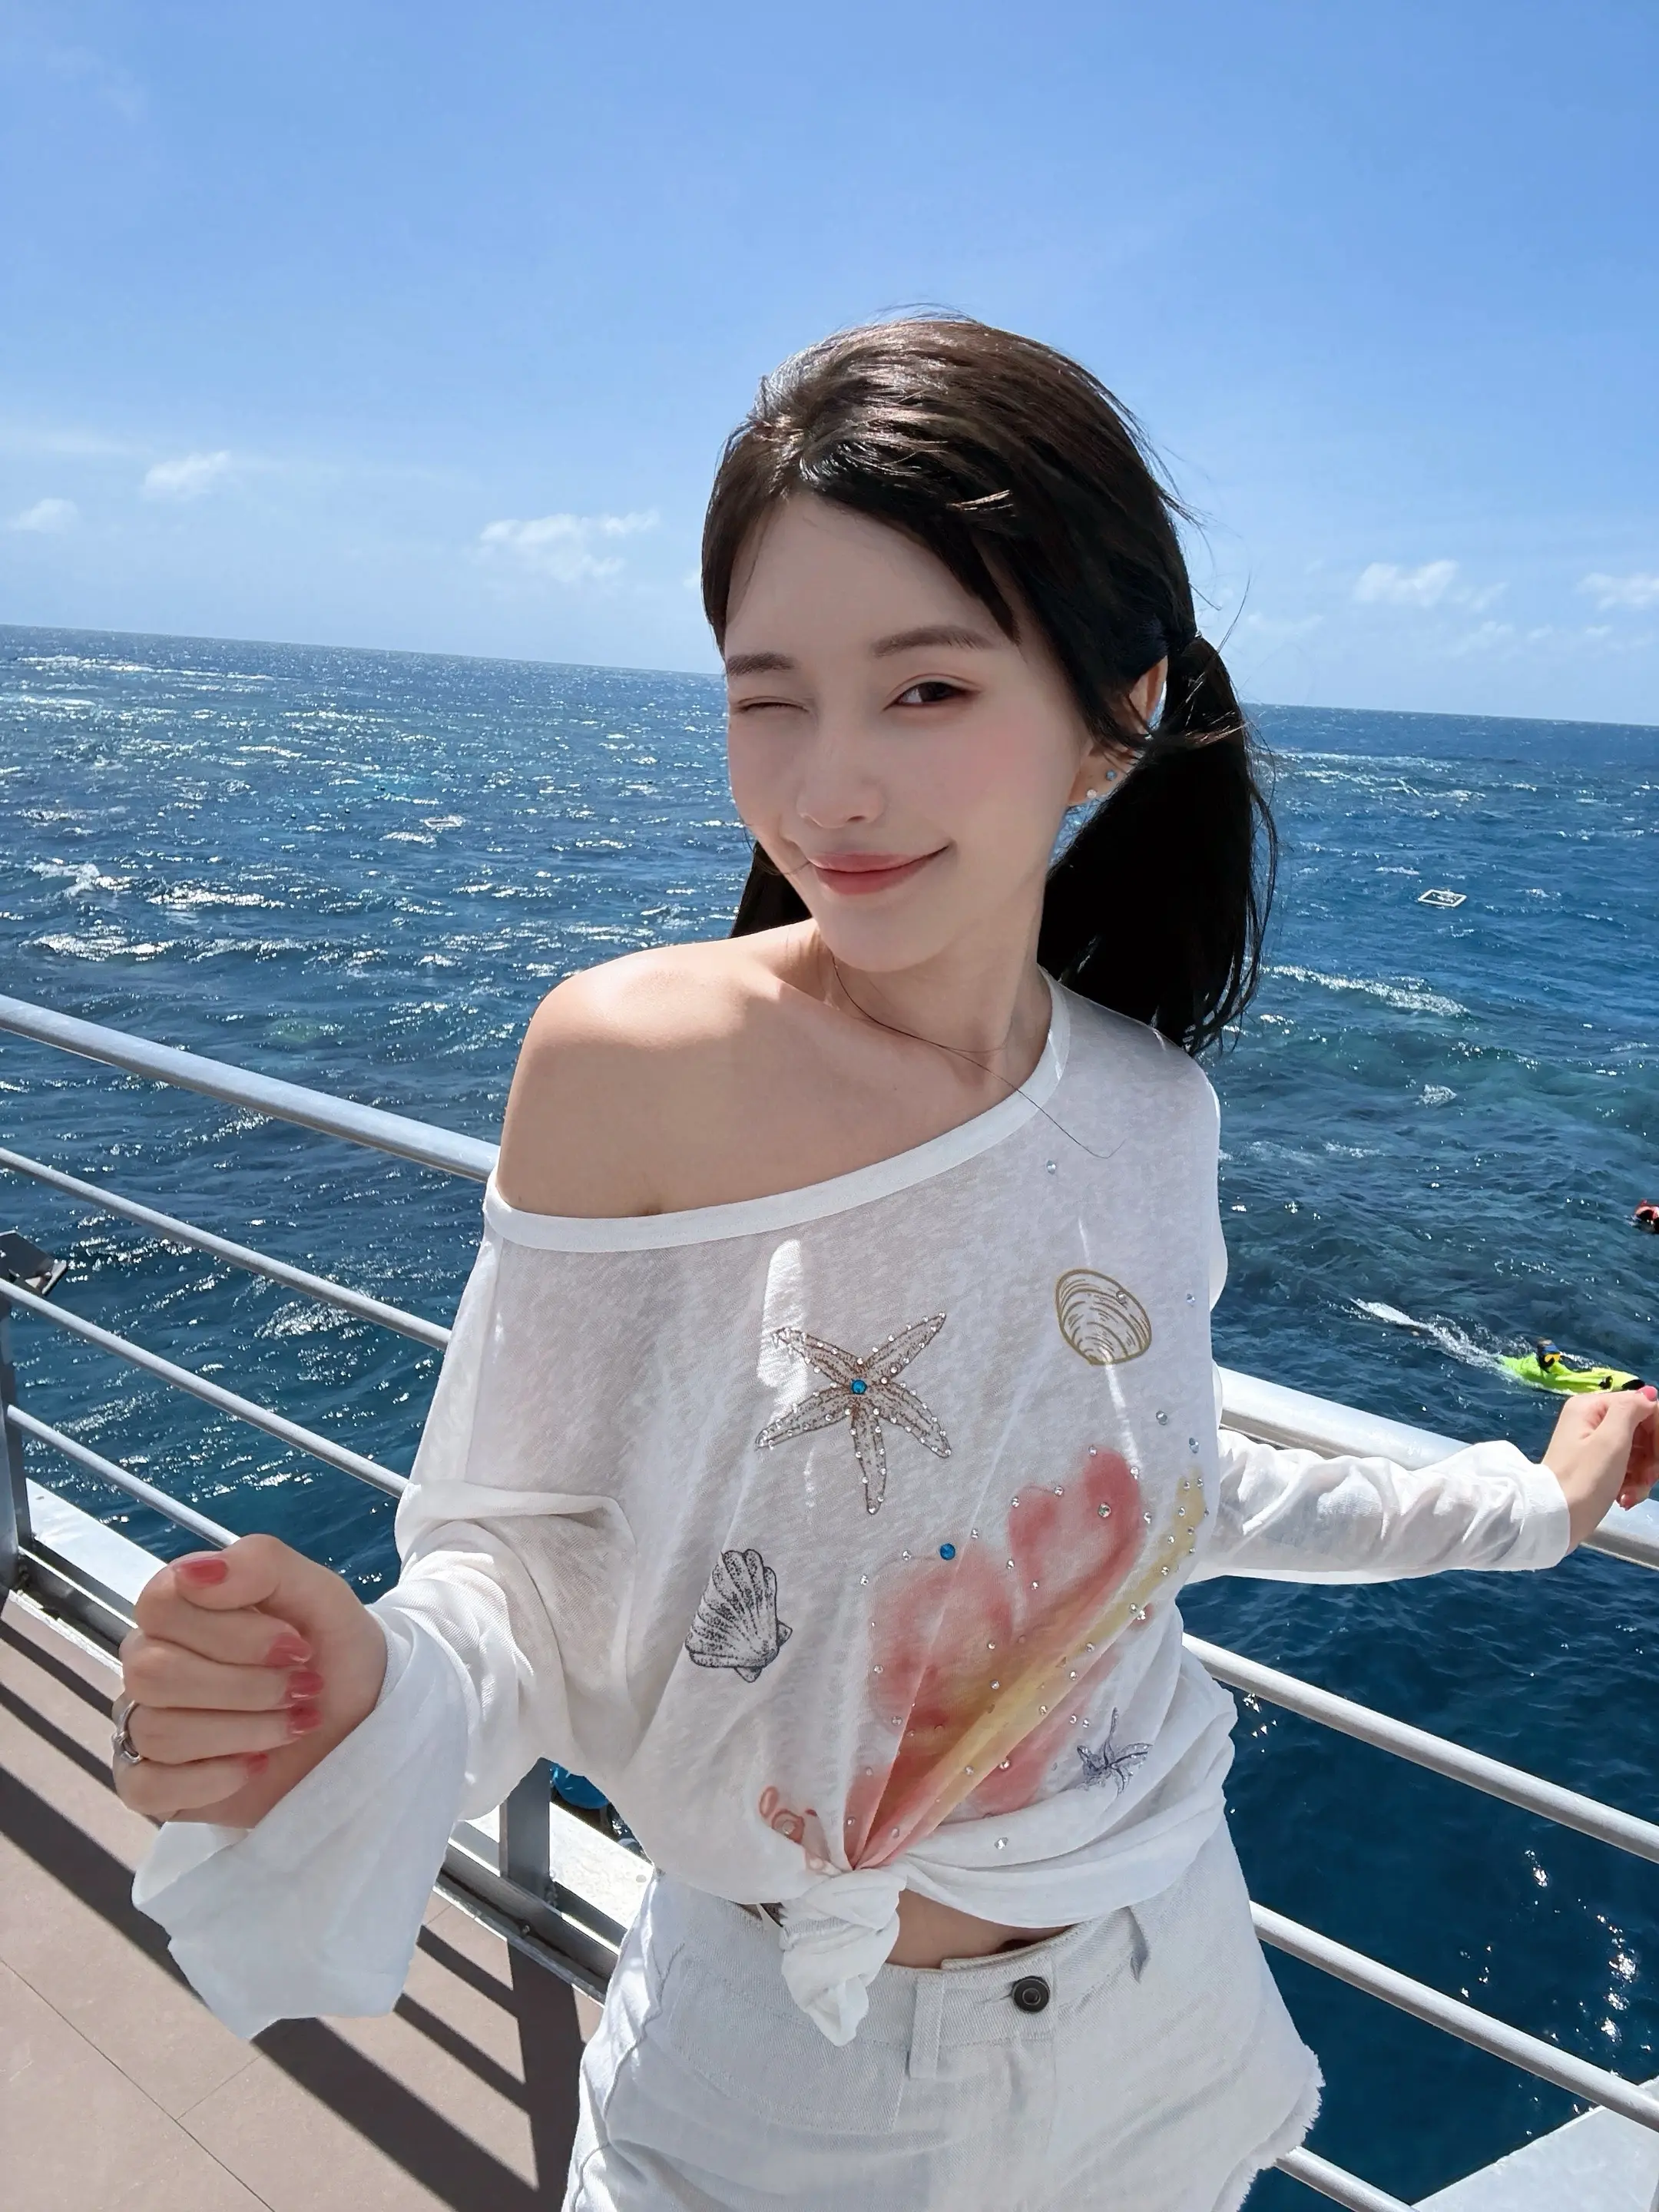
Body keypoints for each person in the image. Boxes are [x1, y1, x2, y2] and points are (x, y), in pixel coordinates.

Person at [111, 320, 1659, 2212]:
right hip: (789, 2080)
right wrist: (370, 1694)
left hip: (1164, 2002)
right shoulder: (634, 1063)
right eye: (768, 698)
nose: (829, 788)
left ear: (1116, 714)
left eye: (925, 688)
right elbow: (526, 1568)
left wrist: (1535, 1505)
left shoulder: (1151, 1107)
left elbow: (1162, 1483)